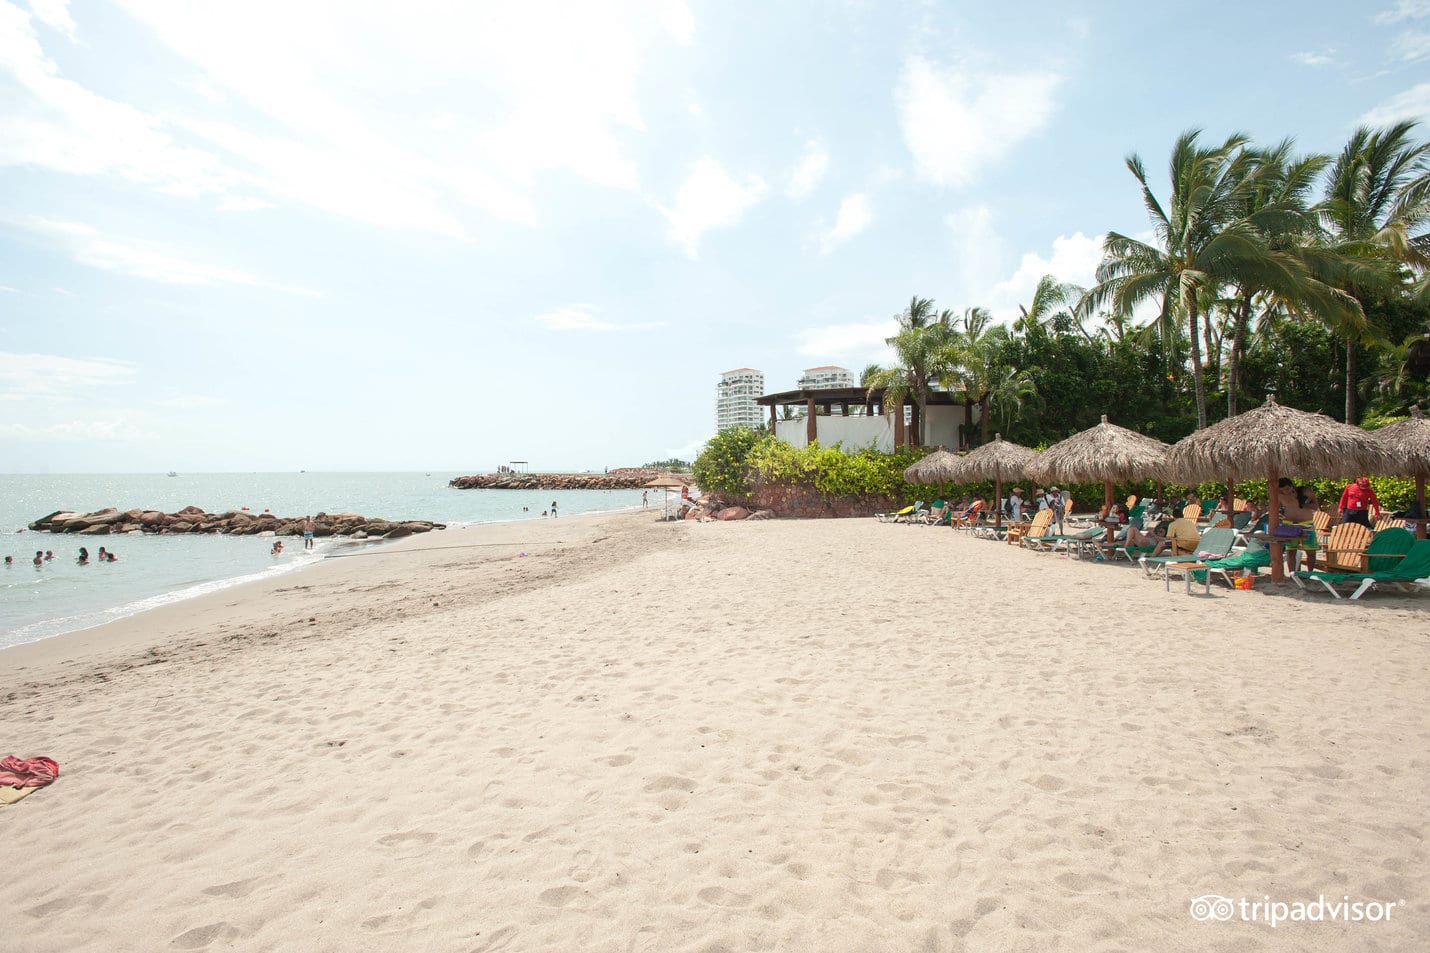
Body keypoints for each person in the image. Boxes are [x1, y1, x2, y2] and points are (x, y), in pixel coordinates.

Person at [1276, 479, 1320, 573]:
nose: (1286, 492)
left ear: (1292, 485)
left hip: (1306, 523)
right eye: (1283, 490)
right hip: (1289, 523)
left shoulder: (1305, 491)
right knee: (1291, 551)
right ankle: (1292, 573)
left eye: (1287, 489)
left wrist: (1303, 503)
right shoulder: (1280, 496)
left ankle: (1310, 572)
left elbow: (1316, 506)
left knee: (1311, 551)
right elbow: (1274, 509)